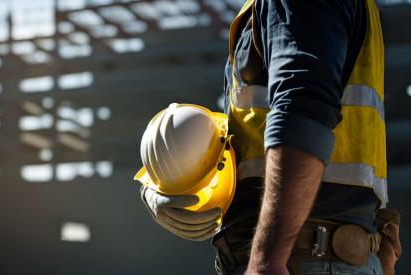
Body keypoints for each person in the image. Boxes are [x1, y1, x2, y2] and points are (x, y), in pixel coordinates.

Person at [140, 0, 401, 274]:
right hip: (321, 258)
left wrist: (267, 260)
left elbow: (302, 115)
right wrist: (159, 187)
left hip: (301, 260)